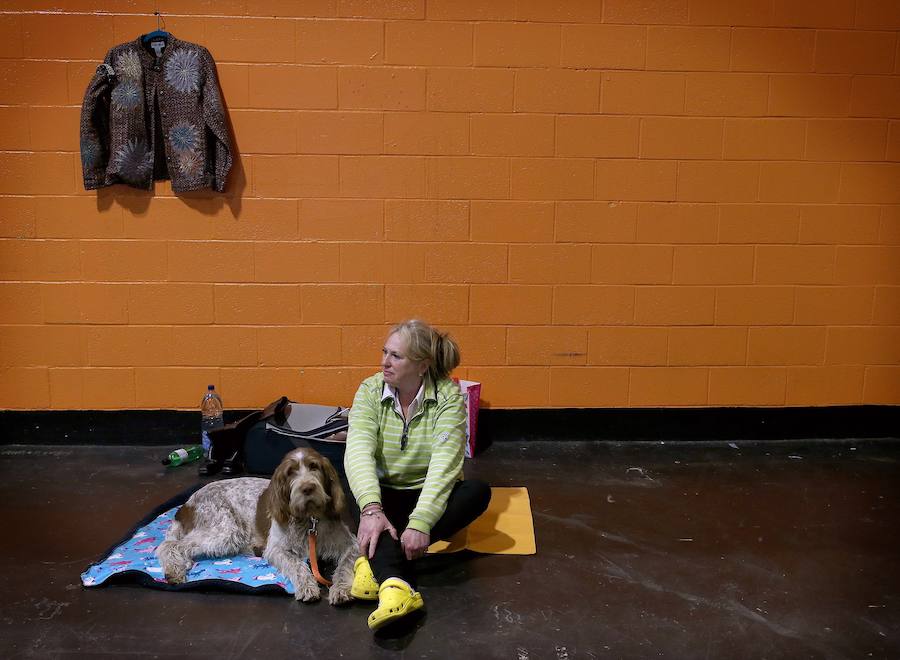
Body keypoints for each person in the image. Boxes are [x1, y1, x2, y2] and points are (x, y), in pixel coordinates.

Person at [344, 319, 491, 631]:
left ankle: (375, 565)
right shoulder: (370, 390)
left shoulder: (448, 397)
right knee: (346, 483)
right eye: (384, 352)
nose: (385, 361)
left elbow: (444, 467)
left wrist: (422, 522)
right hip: (382, 497)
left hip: (424, 495)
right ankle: (396, 587)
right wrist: (371, 508)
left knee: (477, 492)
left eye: (396, 356)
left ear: (423, 366)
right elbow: (358, 450)